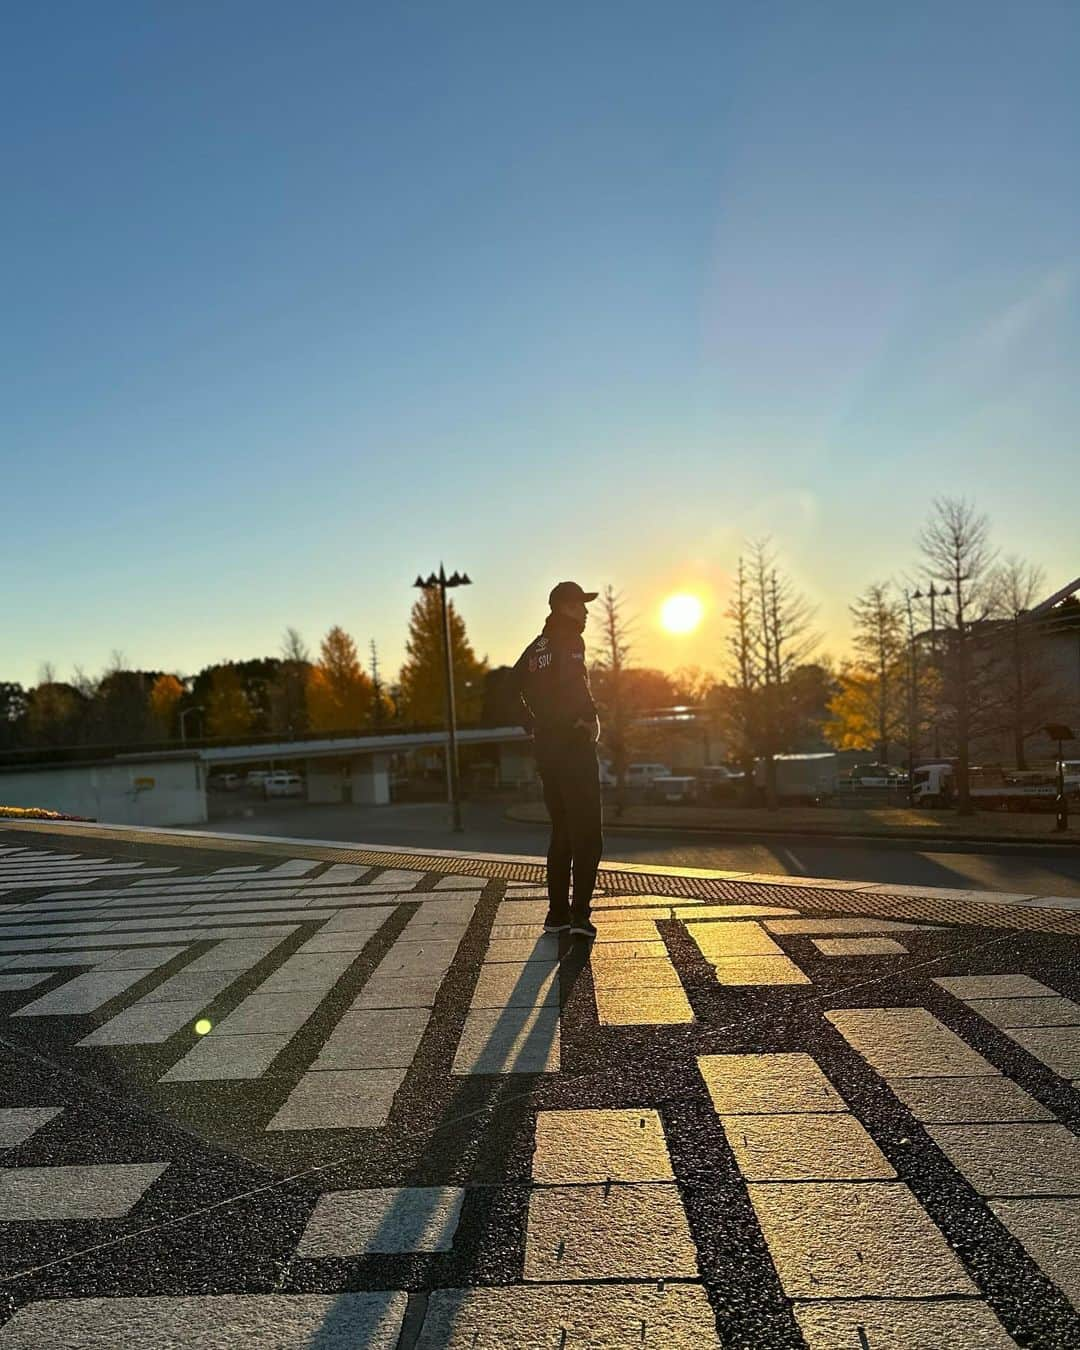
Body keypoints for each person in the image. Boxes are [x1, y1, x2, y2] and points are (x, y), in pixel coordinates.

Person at [514, 581, 603, 940]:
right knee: (588, 835)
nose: (585, 611)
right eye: (580, 604)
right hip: (573, 746)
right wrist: (588, 717)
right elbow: (573, 684)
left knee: (562, 831)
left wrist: (532, 723)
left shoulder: (537, 646)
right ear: (564, 607)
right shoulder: (570, 640)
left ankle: (557, 915)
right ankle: (580, 916)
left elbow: (511, 685)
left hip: (547, 750)